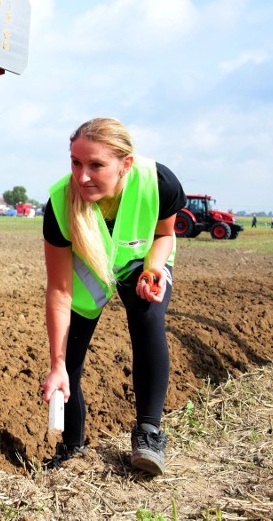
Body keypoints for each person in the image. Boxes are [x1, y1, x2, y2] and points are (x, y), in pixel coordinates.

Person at [40, 117, 186, 477]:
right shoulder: (59, 204)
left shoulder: (159, 183)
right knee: (69, 364)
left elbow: (164, 235)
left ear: (126, 164)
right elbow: (59, 291)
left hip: (141, 262)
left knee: (148, 314)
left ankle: (149, 435)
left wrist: (152, 269)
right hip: (91, 269)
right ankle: (72, 447)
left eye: (96, 165)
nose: (82, 175)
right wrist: (56, 363)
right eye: (76, 162)